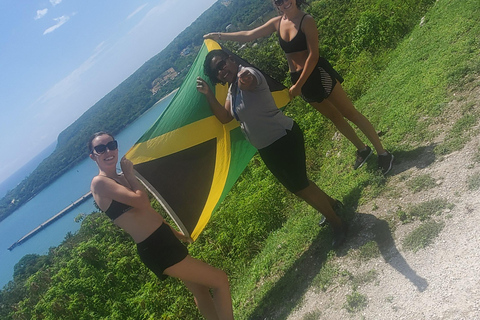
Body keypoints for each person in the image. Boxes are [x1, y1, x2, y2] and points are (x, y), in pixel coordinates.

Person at [204, 0, 394, 175]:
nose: (284, 3)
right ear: (275, 3)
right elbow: (248, 35)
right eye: (279, 0)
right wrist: (218, 36)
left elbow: (313, 56)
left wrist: (297, 86)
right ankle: (362, 149)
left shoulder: (306, 20)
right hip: (298, 80)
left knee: (350, 113)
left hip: (317, 73)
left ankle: (383, 153)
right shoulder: (277, 23)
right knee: (334, 117)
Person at [196, 49, 348, 248]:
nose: (222, 70)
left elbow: (249, 80)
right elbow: (225, 118)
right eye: (217, 71)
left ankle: (338, 224)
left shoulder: (246, 74)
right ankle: (333, 205)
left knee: (301, 185)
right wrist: (208, 94)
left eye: (222, 64)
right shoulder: (232, 91)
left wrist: (245, 78)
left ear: (231, 59)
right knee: (298, 187)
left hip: (283, 137)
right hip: (267, 147)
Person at [88, 132, 234, 320]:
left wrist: (178, 234)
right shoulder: (99, 183)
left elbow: (150, 215)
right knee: (219, 280)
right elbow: (142, 202)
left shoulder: (120, 178)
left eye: (112, 145)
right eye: (100, 148)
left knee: (200, 288)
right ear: (93, 156)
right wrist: (130, 174)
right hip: (156, 247)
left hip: (164, 238)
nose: (108, 151)